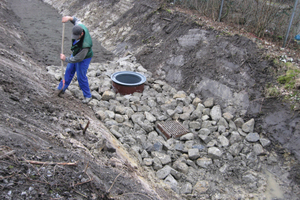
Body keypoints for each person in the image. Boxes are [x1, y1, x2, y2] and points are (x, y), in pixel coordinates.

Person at [57, 16, 93, 104]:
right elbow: (76, 20)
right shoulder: (79, 26)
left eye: (77, 36)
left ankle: (88, 96)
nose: (75, 37)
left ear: (81, 34)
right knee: (69, 71)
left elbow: (78, 58)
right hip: (77, 51)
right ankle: (60, 89)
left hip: (84, 57)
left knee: (81, 76)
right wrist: (69, 18)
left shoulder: (86, 45)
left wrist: (66, 59)